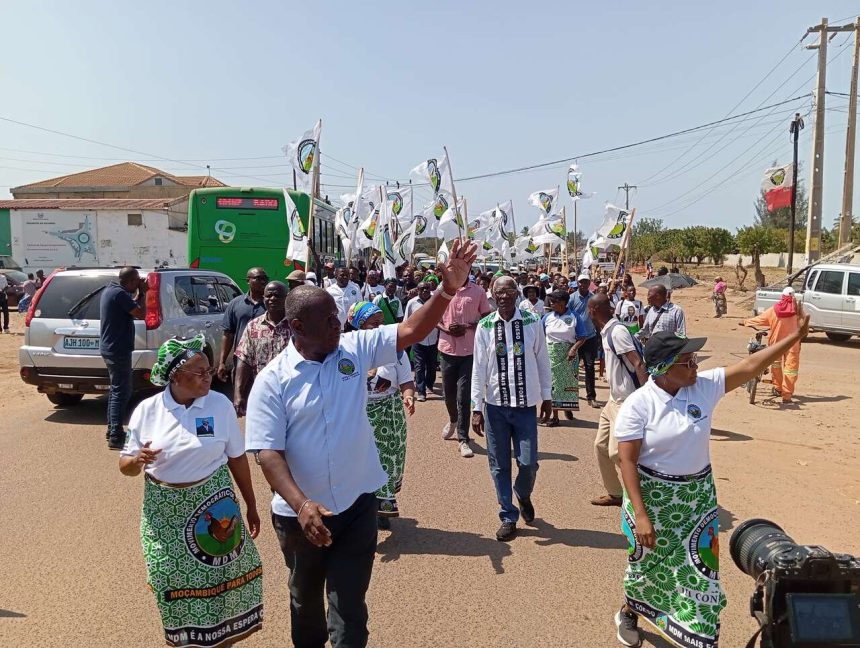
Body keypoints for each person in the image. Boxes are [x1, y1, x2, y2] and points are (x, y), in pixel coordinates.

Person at [245, 240, 477, 648]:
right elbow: (267, 453)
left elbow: (410, 330)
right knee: (305, 606)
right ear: (298, 327)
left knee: (349, 605)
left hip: (356, 508)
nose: (339, 324)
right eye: (329, 320)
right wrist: (302, 505)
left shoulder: (353, 348)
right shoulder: (273, 382)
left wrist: (447, 291)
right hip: (300, 520)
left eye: (337, 317)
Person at [612, 310, 810, 648]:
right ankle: (629, 611)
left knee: (701, 578)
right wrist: (641, 515)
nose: (695, 367)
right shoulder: (639, 405)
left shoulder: (702, 388)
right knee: (649, 569)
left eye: (694, 360)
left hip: (696, 501)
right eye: (687, 362)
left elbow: (751, 366)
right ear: (662, 369)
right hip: (654, 502)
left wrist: (793, 338)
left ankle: (700, 638)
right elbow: (626, 460)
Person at [119, 335, 263, 647]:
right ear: (175, 376)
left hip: (213, 504)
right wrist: (136, 461)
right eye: (200, 372)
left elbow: (236, 458)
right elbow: (126, 466)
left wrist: (251, 505)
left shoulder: (219, 404)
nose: (208, 377)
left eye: (209, 370)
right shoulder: (147, 410)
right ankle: (184, 640)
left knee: (221, 581)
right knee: (167, 578)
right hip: (165, 515)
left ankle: (222, 640)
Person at [471, 276, 552, 542]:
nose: (504, 297)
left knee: (528, 463)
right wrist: (476, 406)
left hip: (525, 406)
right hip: (495, 407)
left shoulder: (532, 322)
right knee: (499, 464)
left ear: (517, 294)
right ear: (492, 296)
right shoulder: (484, 326)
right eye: (499, 293)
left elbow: (542, 359)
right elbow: (478, 369)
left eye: (509, 292)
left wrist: (547, 396)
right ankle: (508, 514)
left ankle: (523, 493)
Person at [348, 301, 415, 529]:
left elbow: (406, 378)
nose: (378, 327)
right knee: (358, 461)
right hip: (358, 414)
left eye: (380, 322)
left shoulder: (394, 348)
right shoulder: (348, 350)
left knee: (385, 460)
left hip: (388, 413)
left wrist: (408, 396)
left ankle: (382, 507)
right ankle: (361, 509)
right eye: (371, 323)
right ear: (358, 325)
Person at [587, 294, 647, 508]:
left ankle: (642, 495)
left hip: (627, 402)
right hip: (614, 400)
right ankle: (615, 493)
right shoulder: (606, 331)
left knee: (617, 452)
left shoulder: (617, 332)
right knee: (601, 446)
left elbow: (638, 363)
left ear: (593, 310)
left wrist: (646, 398)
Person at [437, 272, 492, 457]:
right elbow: (433, 316)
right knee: (449, 395)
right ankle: (453, 420)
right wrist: (445, 328)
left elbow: (486, 318)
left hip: (469, 352)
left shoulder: (478, 291)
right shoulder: (442, 289)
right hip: (447, 349)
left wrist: (467, 327)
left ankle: (463, 438)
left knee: (463, 396)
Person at [100, 267, 147, 449]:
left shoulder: (113, 290)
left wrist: (137, 294)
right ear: (132, 281)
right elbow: (140, 313)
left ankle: (112, 429)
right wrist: (142, 293)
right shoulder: (119, 294)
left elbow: (130, 308)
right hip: (117, 349)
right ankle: (115, 435)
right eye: (137, 281)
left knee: (116, 390)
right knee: (122, 391)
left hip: (112, 348)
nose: (139, 284)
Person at [233, 281, 290, 417]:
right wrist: (238, 393)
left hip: (292, 393)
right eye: (268, 296)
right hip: (262, 393)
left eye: (277, 295)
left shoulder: (297, 326)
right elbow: (244, 359)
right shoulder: (253, 326)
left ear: (286, 298)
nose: (272, 299)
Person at [743, 287, 801, 404]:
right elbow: (804, 322)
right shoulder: (798, 310)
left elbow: (760, 319)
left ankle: (778, 388)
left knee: (776, 366)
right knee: (791, 370)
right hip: (793, 345)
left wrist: (745, 322)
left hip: (776, 345)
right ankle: (787, 396)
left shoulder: (774, 310)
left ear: (782, 297)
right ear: (794, 297)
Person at [542, 289, 588, 426]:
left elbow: (582, 336)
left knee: (565, 385)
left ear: (562, 302)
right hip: (550, 355)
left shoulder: (574, 317)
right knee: (553, 385)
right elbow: (539, 335)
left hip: (568, 355)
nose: (551, 303)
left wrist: (573, 349)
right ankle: (555, 416)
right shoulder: (547, 317)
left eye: (554, 301)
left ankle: (566, 406)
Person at [217, 267, 267, 382]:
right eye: (258, 278)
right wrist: (222, 362)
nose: (263, 282)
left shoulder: (272, 305)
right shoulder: (236, 304)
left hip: (265, 362)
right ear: (248, 280)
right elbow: (228, 334)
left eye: (265, 278)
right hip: (241, 361)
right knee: (239, 396)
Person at [570, 274, 601, 407]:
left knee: (589, 367)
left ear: (589, 283)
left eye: (586, 282)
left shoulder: (593, 298)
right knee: (573, 367)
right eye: (581, 282)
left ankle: (591, 397)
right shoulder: (572, 298)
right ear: (577, 283)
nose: (583, 284)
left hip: (590, 337)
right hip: (575, 338)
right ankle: (571, 395)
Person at [405, 282, 439, 402]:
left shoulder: (436, 301)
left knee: (431, 365)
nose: (425, 290)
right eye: (422, 288)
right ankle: (421, 391)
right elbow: (407, 321)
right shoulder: (412, 303)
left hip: (433, 338)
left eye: (427, 288)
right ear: (417, 290)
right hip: (418, 339)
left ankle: (429, 384)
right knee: (419, 366)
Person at [326, 266, 362, 330]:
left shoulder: (355, 289)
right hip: (336, 328)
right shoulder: (329, 290)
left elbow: (360, 307)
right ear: (336, 276)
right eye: (342, 275)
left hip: (352, 327)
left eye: (347, 275)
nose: (345, 277)